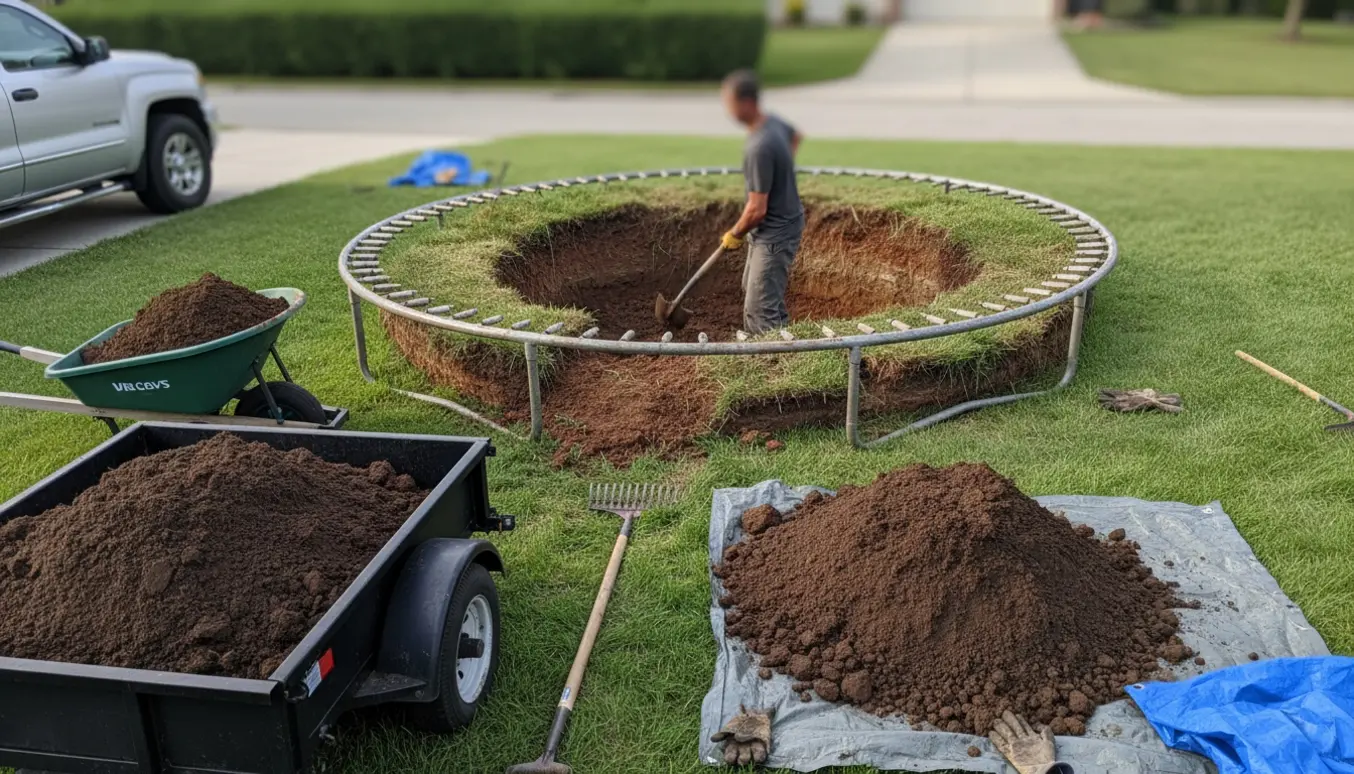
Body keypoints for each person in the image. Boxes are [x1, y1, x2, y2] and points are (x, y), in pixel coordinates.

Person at [719, 69, 804, 335]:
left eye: (729, 103)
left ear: (746, 103)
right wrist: (781, 175)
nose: (727, 110)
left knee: (759, 309)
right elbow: (796, 136)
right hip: (778, 224)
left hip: (774, 231)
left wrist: (734, 234)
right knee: (754, 288)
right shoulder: (773, 123)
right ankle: (783, 339)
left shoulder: (759, 146)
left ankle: (770, 364)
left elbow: (756, 209)